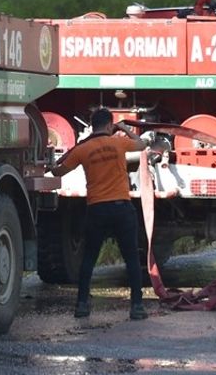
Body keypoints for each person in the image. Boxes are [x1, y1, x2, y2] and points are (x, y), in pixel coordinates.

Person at [49, 108, 153, 321]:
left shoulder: (83, 149)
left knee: (88, 258)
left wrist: (57, 161)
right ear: (109, 125)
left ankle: (82, 305)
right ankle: (137, 306)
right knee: (132, 258)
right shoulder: (118, 143)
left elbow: (57, 172)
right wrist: (124, 128)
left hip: (97, 209)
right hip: (122, 208)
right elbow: (142, 145)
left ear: (92, 126)